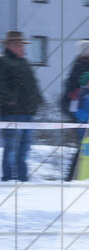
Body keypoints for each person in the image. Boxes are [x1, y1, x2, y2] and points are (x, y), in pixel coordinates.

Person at [0, 31, 43, 182]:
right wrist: (9, 100)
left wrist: (38, 99)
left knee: (24, 148)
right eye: (20, 45)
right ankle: (9, 178)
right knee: (12, 148)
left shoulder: (24, 63)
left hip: (27, 112)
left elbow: (33, 83)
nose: (23, 48)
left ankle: (23, 178)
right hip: (11, 113)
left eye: (23, 45)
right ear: (10, 46)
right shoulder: (3, 62)